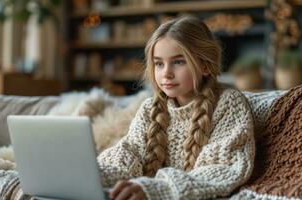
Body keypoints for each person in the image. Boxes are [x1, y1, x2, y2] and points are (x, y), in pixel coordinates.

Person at [98, 15, 255, 200]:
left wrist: (155, 188)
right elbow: (129, 153)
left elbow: (222, 169)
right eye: (159, 64)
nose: (166, 73)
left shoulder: (228, 104)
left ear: (204, 65)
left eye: (178, 62)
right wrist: (97, 175)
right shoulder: (151, 108)